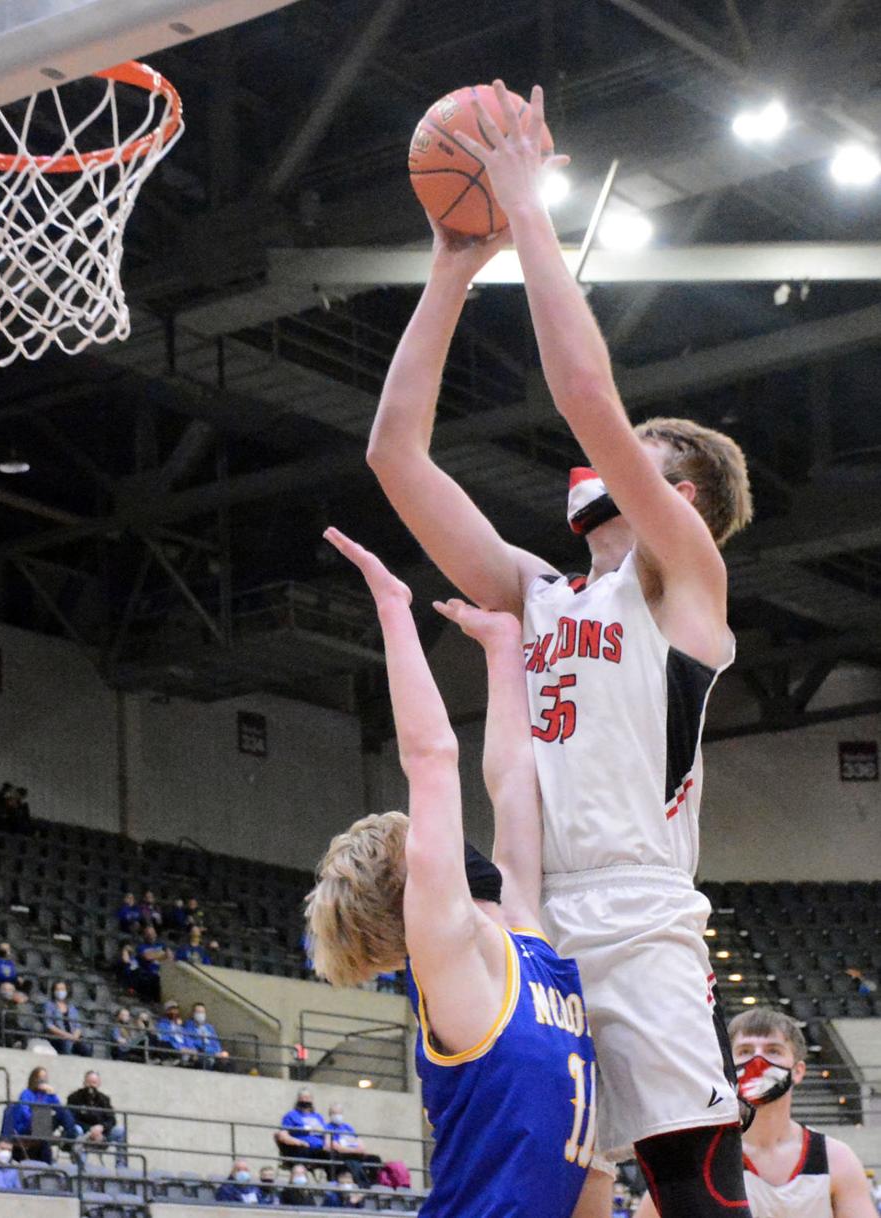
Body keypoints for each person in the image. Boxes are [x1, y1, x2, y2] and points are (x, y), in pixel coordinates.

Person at [366, 81, 755, 1218]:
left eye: (637, 452)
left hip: (639, 920)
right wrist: (451, 265)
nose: (605, 457)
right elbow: (397, 458)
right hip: (534, 927)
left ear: (678, 491)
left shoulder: (687, 579)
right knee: (553, 1205)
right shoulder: (536, 592)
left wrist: (529, 207)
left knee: (697, 1202)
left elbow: (585, 393)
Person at [306, 530, 601, 1218]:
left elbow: (514, 787)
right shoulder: (450, 966)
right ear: (413, 885)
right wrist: (391, 606)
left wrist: (504, 652)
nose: (444, 840)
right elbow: (432, 755)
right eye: (422, 841)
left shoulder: (528, 942)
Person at [635, 1007, 877, 1218]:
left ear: (798, 1070)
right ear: (727, 1068)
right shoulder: (695, 1157)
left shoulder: (836, 1158)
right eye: (745, 1051)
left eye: (773, 1051)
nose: (758, 1061)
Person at [2, 1066, 84, 1164]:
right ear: (34, 1079)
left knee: (64, 1112)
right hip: (27, 1126)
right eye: (40, 1077)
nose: (43, 1080)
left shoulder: (48, 1095)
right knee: (42, 1115)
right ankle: (56, 1149)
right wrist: (39, 1116)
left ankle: (69, 1141)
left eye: (45, 1077)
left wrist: (53, 1094)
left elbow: (60, 1110)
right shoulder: (27, 1093)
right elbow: (25, 1113)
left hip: (43, 1127)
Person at [66, 1071, 127, 1167]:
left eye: (94, 1083)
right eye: (88, 1082)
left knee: (120, 1131)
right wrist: (90, 1130)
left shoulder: (104, 1099)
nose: (91, 1086)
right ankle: (80, 1168)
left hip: (102, 1136)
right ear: (84, 1083)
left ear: (99, 1084)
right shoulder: (74, 1098)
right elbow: (70, 1119)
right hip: (84, 1134)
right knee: (77, 1129)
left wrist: (102, 1128)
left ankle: (122, 1168)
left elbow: (112, 1120)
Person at [276, 1088, 333, 1177]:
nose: (305, 1100)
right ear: (298, 1099)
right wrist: (300, 1142)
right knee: (301, 1153)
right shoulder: (291, 1115)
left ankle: (333, 1183)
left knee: (333, 1156)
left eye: (308, 1098)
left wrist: (327, 1143)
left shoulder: (318, 1117)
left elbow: (327, 1132)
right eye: (303, 1097)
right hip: (301, 1148)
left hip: (319, 1150)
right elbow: (282, 1135)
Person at [325, 1104, 381, 1188]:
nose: (337, 1116)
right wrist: (351, 1150)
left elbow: (361, 1144)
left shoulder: (348, 1127)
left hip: (354, 1152)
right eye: (334, 1113)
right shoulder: (327, 1127)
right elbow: (330, 1145)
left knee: (375, 1159)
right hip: (343, 1154)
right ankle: (359, 1184)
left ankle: (373, 1185)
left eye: (339, 1113)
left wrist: (358, 1149)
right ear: (330, 1115)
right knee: (349, 1162)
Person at [42, 980, 91, 1056]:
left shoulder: (71, 1007)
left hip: (72, 1037)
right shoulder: (49, 1005)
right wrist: (67, 1035)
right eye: (57, 989)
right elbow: (49, 1025)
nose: (60, 991)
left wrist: (75, 1036)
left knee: (86, 1047)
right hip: (57, 1037)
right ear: (53, 991)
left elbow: (78, 1025)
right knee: (66, 1044)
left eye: (62, 989)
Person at [184, 1002, 230, 1070]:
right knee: (206, 1064)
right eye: (198, 1012)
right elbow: (196, 1043)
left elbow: (216, 1042)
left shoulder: (209, 1027)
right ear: (193, 1013)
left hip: (215, 1055)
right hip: (201, 1055)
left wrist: (220, 1053)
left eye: (202, 1012)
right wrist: (214, 1053)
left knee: (229, 1065)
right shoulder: (188, 1027)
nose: (201, 1014)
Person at [134, 926, 169, 1002]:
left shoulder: (162, 944)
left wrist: (155, 955)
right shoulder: (141, 947)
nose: (151, 936)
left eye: (153, 933)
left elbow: (170, 955)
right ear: (144, 936)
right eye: (148, 934)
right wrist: (162, 954)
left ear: (156, 934)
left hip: (163, 973)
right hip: (149, 975)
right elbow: (147, 957)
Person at [157, 1001, 196, 1066]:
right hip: (175, 1051)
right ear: (166, 1012)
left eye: (175, 1009)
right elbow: (165, 1040)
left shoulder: (181, 1027)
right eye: (170, 1010)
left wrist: (192, 1049)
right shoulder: (162, 1025)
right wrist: (179, 1048)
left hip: (187, 1052)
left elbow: (188, 1038)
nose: (174, 1012)